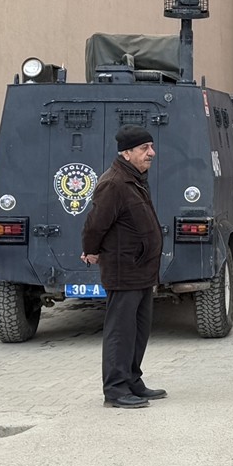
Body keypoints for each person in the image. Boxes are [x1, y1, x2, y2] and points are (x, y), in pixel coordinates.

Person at [81, 125, 166, 409]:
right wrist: (90, 250)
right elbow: (96, 223)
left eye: (151, 147)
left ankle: (132, 380)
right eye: (144, 149)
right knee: (121, 331)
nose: (151, 153)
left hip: (141, 269)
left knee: (139, 329)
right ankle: (115, 390)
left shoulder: (136, 178)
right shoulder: (114, 183)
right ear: (127, 153)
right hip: (123, 269)